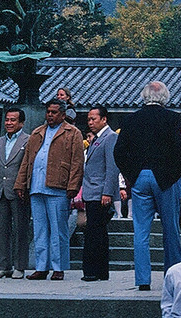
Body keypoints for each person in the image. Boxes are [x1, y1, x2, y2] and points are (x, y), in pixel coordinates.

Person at [114, 81, 181, 290]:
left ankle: (143, 280)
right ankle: (172, 276)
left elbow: (119, 152)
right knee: (171, 229)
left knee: (141, 231)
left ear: (144, 96)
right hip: (165, 177)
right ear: (165, 97)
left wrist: (131, 175)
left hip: (140, 177)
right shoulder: (172, 118)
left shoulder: (130, 119)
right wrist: (175, 175)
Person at [14, 98, 83, 281]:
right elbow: (27, 161)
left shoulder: (72, 133)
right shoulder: (37, 132)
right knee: (40, 229)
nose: (50, 115)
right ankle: (41, 266)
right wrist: (20, 184)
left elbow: (77, 162)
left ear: (62, 113)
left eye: (54, 112)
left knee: (58, 229)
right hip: (36, 186)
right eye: (48, 112)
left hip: (58, 187)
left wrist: (73, 185)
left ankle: (58, 267)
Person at [0, 107, 29, 279]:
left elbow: (27, 166)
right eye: (7, 120)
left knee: (20, 229)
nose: (9, 123)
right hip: (0, 190)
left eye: (13, 120)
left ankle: (19, 266)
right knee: (2, 230)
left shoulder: (28, 140)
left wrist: (23, 186)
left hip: (18, 190)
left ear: (21, 122)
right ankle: (4, 266)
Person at [80, 105, 119, 282]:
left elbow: (112, 167)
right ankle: (100, 271)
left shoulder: (110, 137)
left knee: (94, 232)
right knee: (98, 232)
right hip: (92, 190)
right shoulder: (96, 138)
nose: (90, 122)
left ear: (104, 119)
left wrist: (108, 192)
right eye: (88, 119)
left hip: (100, 191)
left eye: (94, 119)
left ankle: (92, 270)